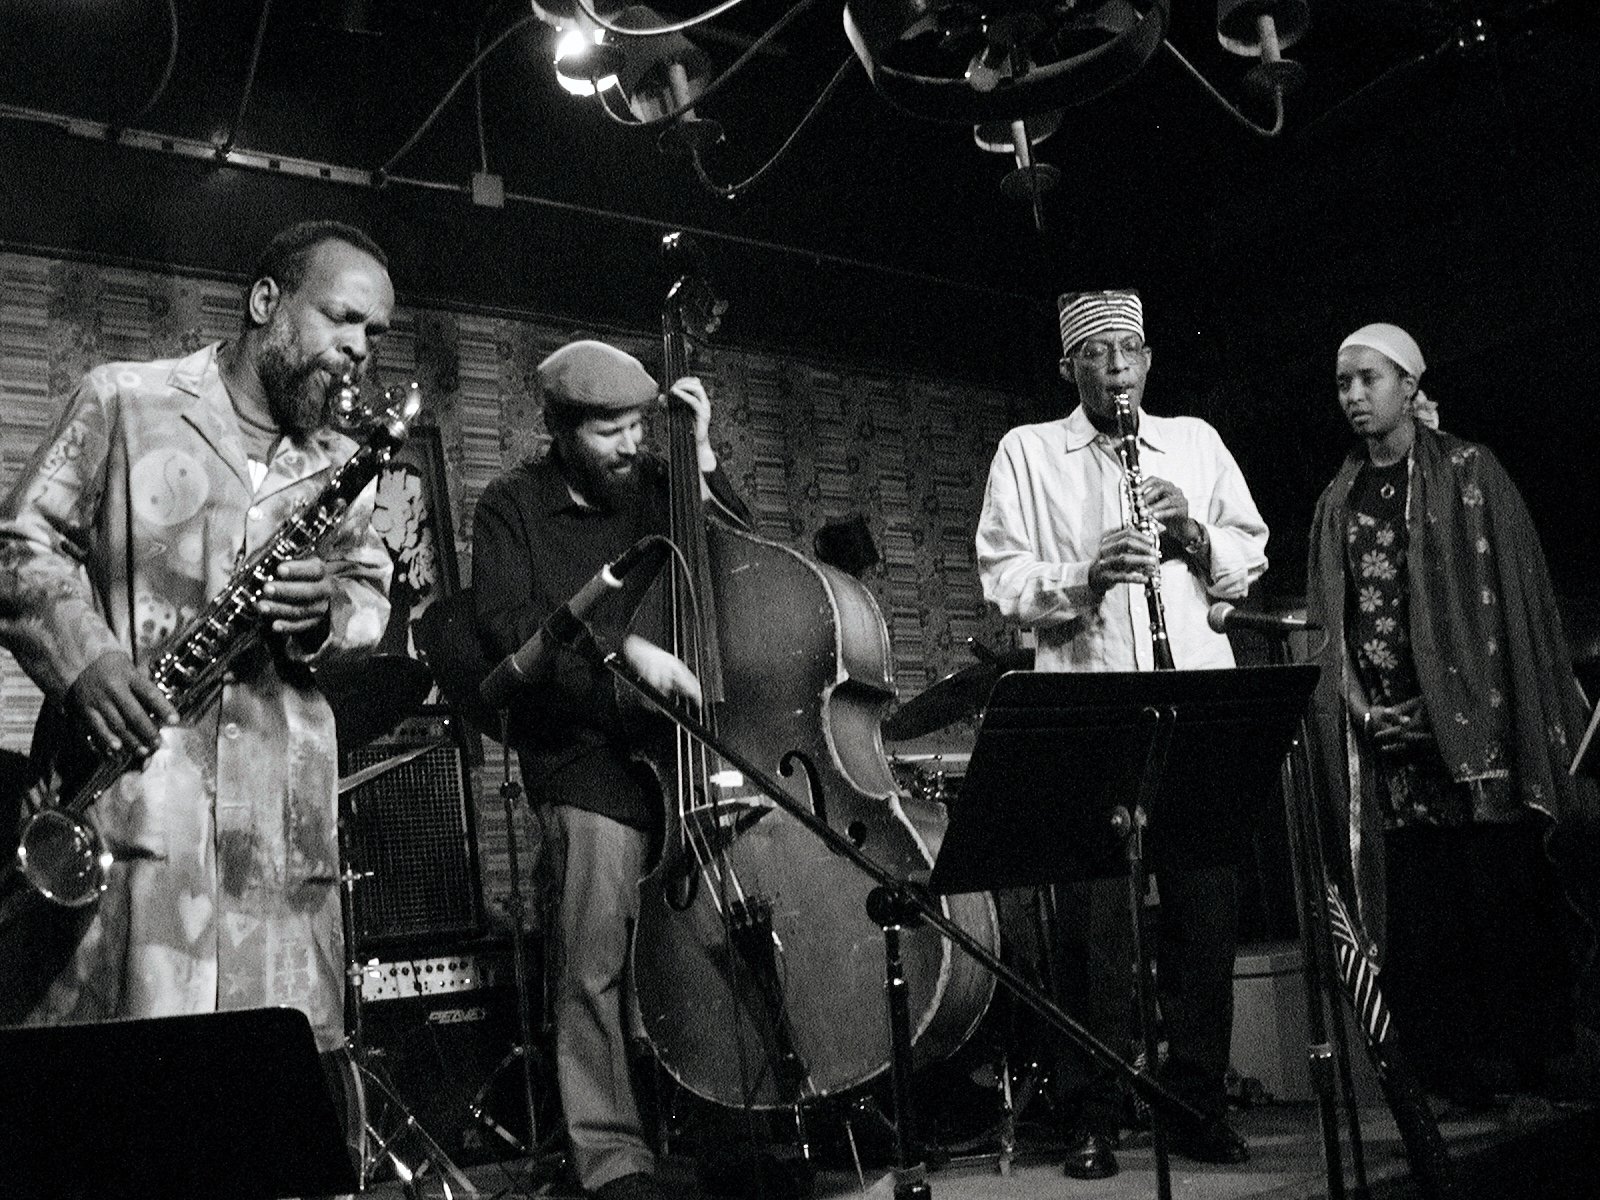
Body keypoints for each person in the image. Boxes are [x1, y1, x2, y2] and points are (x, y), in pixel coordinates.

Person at [0, 220, 395, 1050]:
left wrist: (329, 615)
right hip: (138, 803)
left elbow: (370, 597)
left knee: (265, 1094)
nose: (361, 347)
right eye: (342, 317)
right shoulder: (123, 399)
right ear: (266, 302)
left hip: (280, 835)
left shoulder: (347, 468)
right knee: (129, 1097)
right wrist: (88, 661)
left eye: (375, 332)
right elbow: (20, 545)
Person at [975, 288, 1268, 1177]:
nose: (1116, 367)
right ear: (1069, 367)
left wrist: (1195, 535)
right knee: (1096, 930)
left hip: (1194, 706)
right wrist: (1085, 573)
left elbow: (1249, 554)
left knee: (1202, 914)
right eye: (1096, 353)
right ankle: (1091, 1112)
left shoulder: (1195, 441)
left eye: (1129, 350)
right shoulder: (1029, 452)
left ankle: (1196, 1102)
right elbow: (1002, 578)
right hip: (1091, 709)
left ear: (1149, 359)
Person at [472, 340, 753, 1200]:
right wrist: (624, 651)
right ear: (559, 430)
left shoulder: (663, 484)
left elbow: (741, 564)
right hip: (586, 755)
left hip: (684, 753)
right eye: (610, 432)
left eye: (640, 426)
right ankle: (613, 1157)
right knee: (592, 961)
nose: (633, 445)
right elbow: (509, 624)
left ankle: (734, 1123)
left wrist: (700, 457)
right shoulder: (511, 506)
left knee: (713, 946)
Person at [1305, 322, 1598, 1105]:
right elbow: (1330, 633)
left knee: (1499, 893)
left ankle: (1536, 1059)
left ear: (1409, 384)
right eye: (1343, 384)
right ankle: (1453, 1071)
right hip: (1391, 743)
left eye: (1369, 379)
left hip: (1476, 733)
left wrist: (1453, 707)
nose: (1355, 396)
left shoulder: (1472, 472)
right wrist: (1364, 714)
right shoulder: (1338, 499)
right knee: (1425, 911)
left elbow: (1517, 604)